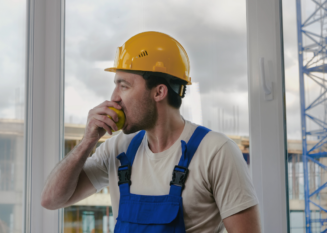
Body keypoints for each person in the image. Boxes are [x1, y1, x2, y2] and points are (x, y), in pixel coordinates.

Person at [41, 31, 261, 232]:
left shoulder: (216, 152)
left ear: (159, 92)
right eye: (115, 85)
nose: (114, 97)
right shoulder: (118, 149)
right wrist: (86, 142)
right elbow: (51, 200)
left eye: (124, 86)